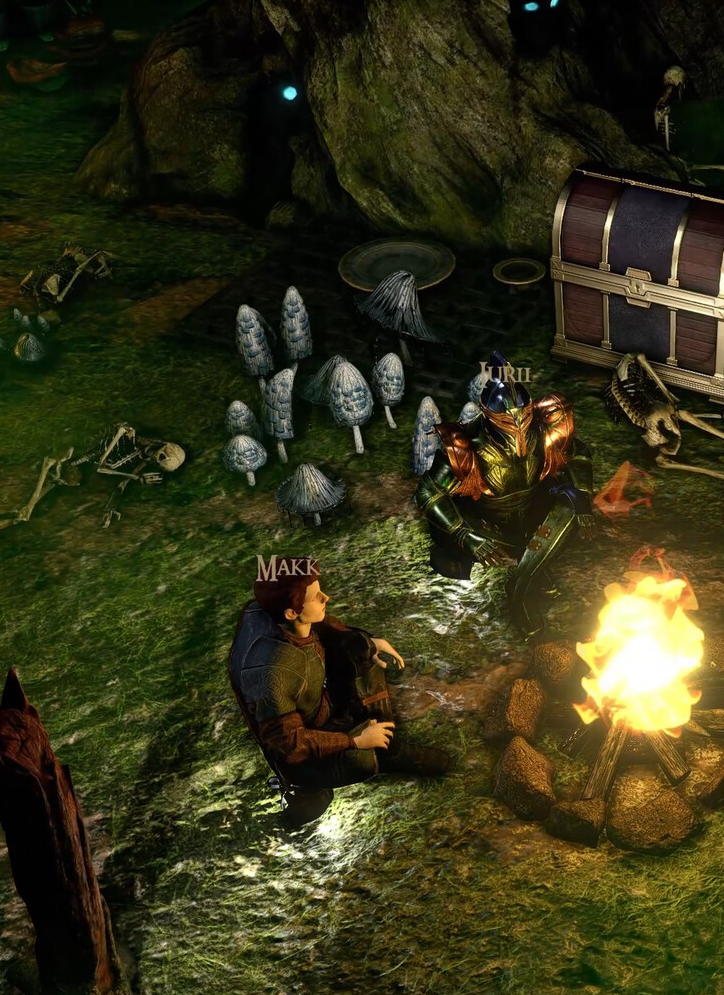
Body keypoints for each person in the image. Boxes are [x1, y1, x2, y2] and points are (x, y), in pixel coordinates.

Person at [227, 559, 452, 823]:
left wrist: (368, 643)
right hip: (304, 748)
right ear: (290, 613)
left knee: (356, 648)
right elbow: (289, 744)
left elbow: (317, 625)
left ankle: (388, 748)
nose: (326, 598)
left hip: (315, 702)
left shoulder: (267, 609)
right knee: (349, 772)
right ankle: (307, 791)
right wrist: (354, 741)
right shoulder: (274, 673)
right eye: (315, 597)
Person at [416, 351, 596, 635]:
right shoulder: (466, 444)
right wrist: (466, 535)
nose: (517, 424)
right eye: (507, 419)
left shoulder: (542, 429)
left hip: (532, 511)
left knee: (569, 508)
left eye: (522, 416)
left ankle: (525, 576)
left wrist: (581, 496)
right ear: (489, 415)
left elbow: (577, 452)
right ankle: (524, 580)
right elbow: (430, 491)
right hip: (489, 522)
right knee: (500, 541)